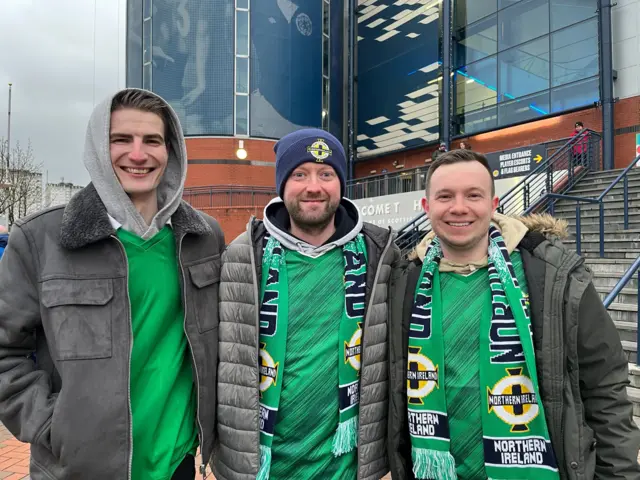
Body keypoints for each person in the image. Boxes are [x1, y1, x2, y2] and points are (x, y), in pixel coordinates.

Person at [0, 89, 224, 480]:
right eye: (121, 139)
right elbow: (5, 353)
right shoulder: (40, 238)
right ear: (97, 149)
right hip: (78, 469)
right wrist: (53, 426)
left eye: (152, 141)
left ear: (170, 151)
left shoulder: (204, 238)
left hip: (177, 467)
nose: (138, 155)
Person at [388, 149, 640, 479]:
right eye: (445, 196)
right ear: (426, 207)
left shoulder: (554, 276)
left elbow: (604, 386)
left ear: (493, 205)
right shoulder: (405, 283)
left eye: (473, 195)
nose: (459, 207)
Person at [214, 128, 400, 480]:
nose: (313, 186)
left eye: (326, 174)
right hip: (259, 466)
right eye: (299, 174)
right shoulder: (241, 256)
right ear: (282, 185)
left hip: (346, 466)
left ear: (341, 185)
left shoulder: (381, 254)